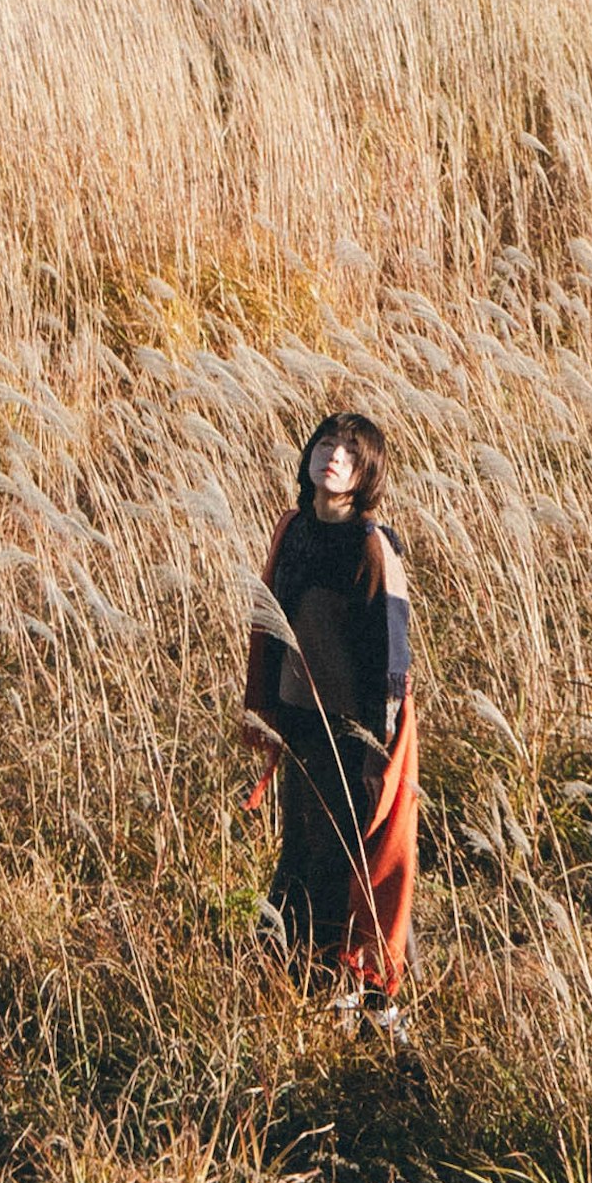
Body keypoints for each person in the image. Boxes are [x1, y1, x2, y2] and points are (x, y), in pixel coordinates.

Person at [240, 408, 416, 1027]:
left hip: (354, 734)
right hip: (300, 723)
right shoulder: (293, 529)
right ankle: (296, 984)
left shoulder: (372, 548)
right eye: (327, 443)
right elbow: (270, 623)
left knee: (354, 864)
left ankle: (367, 997)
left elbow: (391, 663)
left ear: (366, 473)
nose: (334, 455)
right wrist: (270, 717)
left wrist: (377, 758)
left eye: (350, 450)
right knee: (301, 854)